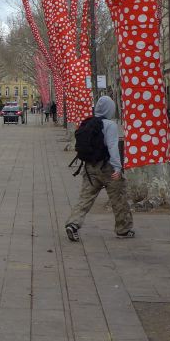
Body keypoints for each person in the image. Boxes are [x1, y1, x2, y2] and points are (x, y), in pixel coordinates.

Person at [64, 95, 134, 241]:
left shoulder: (88, 123)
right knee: (118, 198)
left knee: (85, 198)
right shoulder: (110, 125)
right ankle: (123, 229)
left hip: (90, 167)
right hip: (107, 167)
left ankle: (73, 224)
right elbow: (113, 147)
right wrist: (117, 168)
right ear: (110, 109)